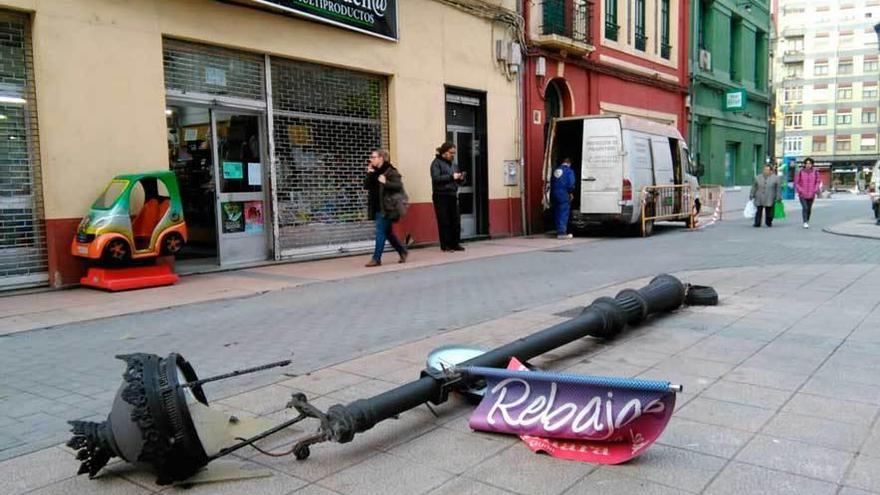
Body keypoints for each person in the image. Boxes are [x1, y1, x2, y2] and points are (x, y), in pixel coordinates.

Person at [364, 149, 407, 267]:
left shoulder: (391, 171)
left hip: (388, 207)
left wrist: (385, 182)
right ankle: (402, 251)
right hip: (377, 206)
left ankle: (376, 259)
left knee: (380, 231)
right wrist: (369, 173)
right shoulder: (374, 171)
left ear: (381, 158)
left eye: (373, 157)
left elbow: (399, 186)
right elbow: (366, 186)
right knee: (388, 233)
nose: (371, 159)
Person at [430, 142, 465, 252]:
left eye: (454, 153)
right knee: (444, 221)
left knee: (455, 221)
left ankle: (455, 244)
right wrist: (451, 176)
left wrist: (461, 178)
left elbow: (458, 179)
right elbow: (436, 178)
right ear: (444, 152)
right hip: (441, 195)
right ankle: (446, 245)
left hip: (452, 195)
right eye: (451, 153)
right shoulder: (436, 163)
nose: (453, 155)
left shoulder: (453, 164)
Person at [550, 157, 576, 239]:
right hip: (563, 193)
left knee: (557, 211)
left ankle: (558, 231)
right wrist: (570, 192)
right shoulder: (569, 171)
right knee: (563, 211)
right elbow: (571, 183)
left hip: (554, 193)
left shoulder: (556, 170)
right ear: (569, 163)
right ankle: (562, 233)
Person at [794, 157, 821, 229]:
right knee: (805, 207)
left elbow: (818, 182)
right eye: (807, 163)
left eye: (810, 163)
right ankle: (805, 222)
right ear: (804, 164)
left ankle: (807, 220)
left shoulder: (815, 172)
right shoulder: (800, 172)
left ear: (812, 164)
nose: (808, 165)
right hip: (802, 194)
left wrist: (815, 190)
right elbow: (796, 183)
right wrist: (800, 190)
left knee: (809, 208)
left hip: (811, 194)